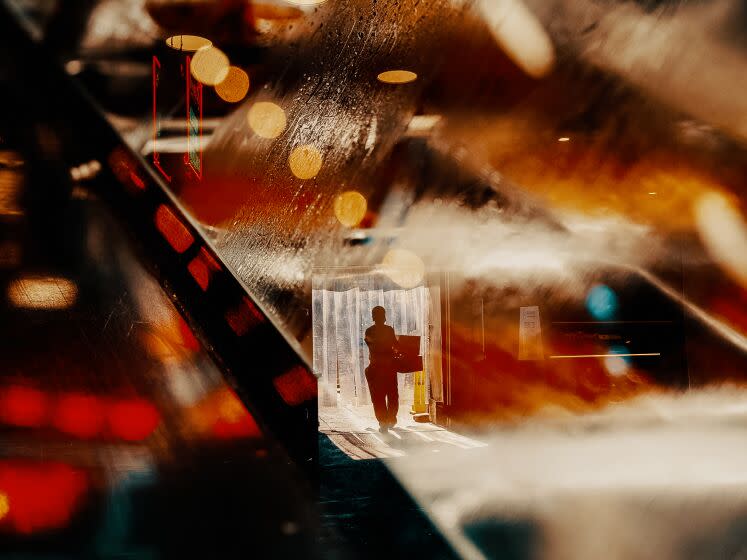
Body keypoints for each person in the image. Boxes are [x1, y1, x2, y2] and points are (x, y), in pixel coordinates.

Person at [364, 306, 399, 433]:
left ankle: (383, 421)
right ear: (384, 317)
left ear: (373, 317)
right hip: (389, 368)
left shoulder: (369, 331)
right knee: (392, 394)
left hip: (375, 368)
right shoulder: (389, 330)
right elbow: (395, 345)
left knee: (378, 397)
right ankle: (391, 419)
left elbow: (371, 346)